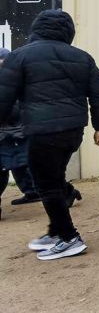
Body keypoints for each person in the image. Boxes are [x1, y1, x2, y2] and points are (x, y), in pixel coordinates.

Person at [0, 10, 99, 260]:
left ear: (36, 28)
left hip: (42, 131)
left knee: (46, 185)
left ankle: (70, 238)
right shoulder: (82, 57)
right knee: (55, 178)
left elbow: (4, 96)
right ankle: (55, 231)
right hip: (73, 132)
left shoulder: (20, 56)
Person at [0, 47, 42, 220]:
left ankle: (62, 192)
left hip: (16, 132)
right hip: (9, 133)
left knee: (24, 165)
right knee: (18, 166)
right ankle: (31, 191)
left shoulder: (15, 79)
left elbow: (15, 109)